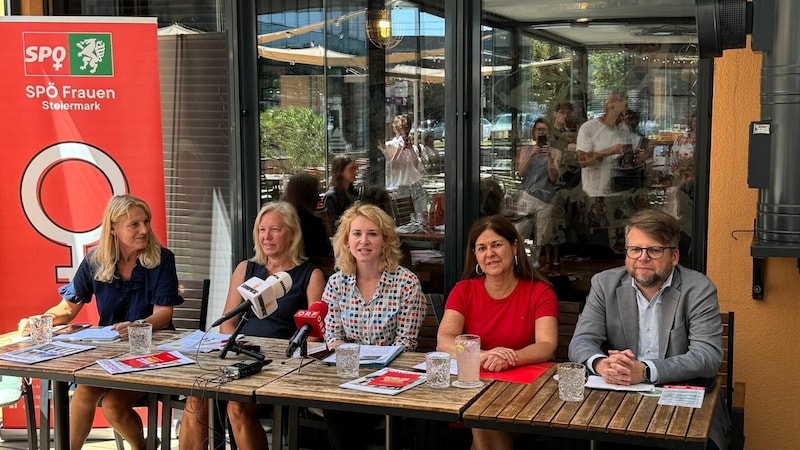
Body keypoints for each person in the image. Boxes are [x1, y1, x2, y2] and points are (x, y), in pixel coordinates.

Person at [18, 194, 183, 450]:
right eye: (135, 224)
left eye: (146, 222)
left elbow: (164, 315)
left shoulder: (163, 259)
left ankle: (144, 447)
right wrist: (43, 319)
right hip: (108, 354)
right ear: (114, 228)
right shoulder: (95, 261)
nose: (145, 229)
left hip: (151, 352)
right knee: (84, 392)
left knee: (113, 405)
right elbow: (68, 308)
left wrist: (138, 325)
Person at [568, 209, 730, 450]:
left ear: (674, 256)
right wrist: (602, 364)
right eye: (635, 249)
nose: (642, 258)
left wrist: (645, 371)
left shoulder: (698, 289)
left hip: (680, 399)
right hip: (618, 398)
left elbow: (707, 357)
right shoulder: (605, 284)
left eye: (654, 250)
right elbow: (581, 341)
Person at [179, 202, 325, 450]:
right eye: (261, 229)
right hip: (240, 357)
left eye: (275, 229)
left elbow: (314, 336)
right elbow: (228, 323)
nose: (266, 237)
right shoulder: (246, 269)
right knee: (196, 396)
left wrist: (285, 358)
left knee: (237, 406)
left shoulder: (311, 275)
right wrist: (237, 347)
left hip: (278, 367)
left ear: (292, 233)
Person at [436, 214, 558, 450]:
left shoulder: (540, 291)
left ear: (514, 247)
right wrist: (481, 356)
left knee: (482, 412)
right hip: (476, 381)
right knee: (480, 408)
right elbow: (445, 339)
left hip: (525, 387)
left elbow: (546, 345)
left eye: (496, 245)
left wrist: (508, 358)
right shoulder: (463, 290)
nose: (489, 253)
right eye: (481, 248)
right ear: (475, 256)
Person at [321, 203, 425, 450]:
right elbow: (332, 335)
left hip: (390, 380)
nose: (363, 241)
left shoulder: (406, 283)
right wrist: (352, 367)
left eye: (372, 234)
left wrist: (374, 373)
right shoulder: (337, 283)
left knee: (348, 416)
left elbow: (406, 343)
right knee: (335, 406)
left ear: (385, 240)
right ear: (346, 240)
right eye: (356, 233)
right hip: (346, 378)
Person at [515, 118, 563, 265]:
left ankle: (536, 262)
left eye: (544, 130)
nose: (541, 133)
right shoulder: (525, 150)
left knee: (542, 236)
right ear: (534, 133)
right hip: (527, 196)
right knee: (520, 231)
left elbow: (554, 178)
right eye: (539, 130)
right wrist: (531, 155)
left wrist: (549, 157)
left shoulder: (556, 152)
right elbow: (520, 173)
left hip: (546, 199)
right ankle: (518, 261)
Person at [576, 92, 634, 197]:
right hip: (595, 193)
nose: (623, 116)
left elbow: (629, 159)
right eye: (620, 111)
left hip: (621, 192)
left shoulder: (624, 129)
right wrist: (609, 151)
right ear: (610, 107)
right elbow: (582, 161)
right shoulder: (589, 128)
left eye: (625, 112)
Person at [380, 114, 428, 216]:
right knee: (404, 217)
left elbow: (415, 166)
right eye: (401, 129)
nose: (404, 132)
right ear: (395, 129)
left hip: (414, 185)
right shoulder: (390, 145)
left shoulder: (413, 148)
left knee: (421, 214)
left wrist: (410, 149)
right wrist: (400, 149)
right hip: (400, 186)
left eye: (406, 129)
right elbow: (392, 164)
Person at [283, 173, 333, 260]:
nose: (319, 199)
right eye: (316, 193)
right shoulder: (313, 224)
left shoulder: (279, 219)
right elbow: (324, 254)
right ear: (305, 196)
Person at [322, 154, 358, 227]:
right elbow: (333, 224)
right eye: (351, 169)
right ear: (340, 171)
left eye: (356, 169)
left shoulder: (354, 193)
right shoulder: (331, 197)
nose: (355, 173)